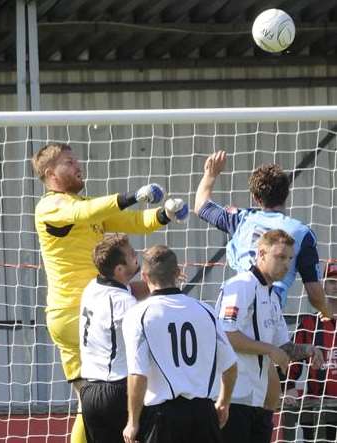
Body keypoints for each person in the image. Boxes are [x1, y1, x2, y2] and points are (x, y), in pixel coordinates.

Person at [31, 142, 188, 443]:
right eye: (68, 162)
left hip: (86, 312)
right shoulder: (51, 206)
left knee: (87, 401)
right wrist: (132, 196)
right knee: (121, 385)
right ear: (50, 174)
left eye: (76, 159)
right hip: (80, 314)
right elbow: (85, 211)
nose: (77, 165)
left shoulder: (84, 207)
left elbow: (133, 223)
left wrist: (163, 215)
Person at [195, 151, 333, 412]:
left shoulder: (242, 218)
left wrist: (210, 175)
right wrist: (328, 314)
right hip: (264, 312)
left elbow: (201, 205)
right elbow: (315, 295)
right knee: (258, 396)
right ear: (287, 194)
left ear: (256, 198)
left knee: (266, 396)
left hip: (237, 305)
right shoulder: (301, 232)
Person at [216, 229, 324, 443]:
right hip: (232, 398)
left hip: (258, 401)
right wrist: (269, 350)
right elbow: (227, 335)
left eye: (290, 259)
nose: (286, 264)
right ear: (261, 254)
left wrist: (308, 350)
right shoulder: (241, 286)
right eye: (280, 257)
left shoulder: (272, 295)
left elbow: (281, 347)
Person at [122, 245, 238, 443]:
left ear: (144, 276)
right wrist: (223, 403)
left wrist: (132, 421)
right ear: (177, 273)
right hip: (204, 414)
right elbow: (230, 366)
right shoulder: (206, 311)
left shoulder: (138, 315)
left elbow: (137, 374)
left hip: (163, 417)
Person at [79, 234, 140, 443]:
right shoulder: (124, 303)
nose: (136, 256)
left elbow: (133, 289)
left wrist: (158, 281)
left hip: (88, 391)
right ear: (119, 270)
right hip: (115, 390)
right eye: (132, 255)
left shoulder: (92, 287)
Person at [283, 261, 337, 441]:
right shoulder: (309, 325)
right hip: (317, 408)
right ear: (323, 285)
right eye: (331, 281)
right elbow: (290, 359)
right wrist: (288, 387)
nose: (336, 286)